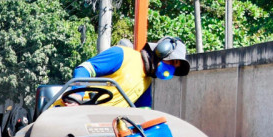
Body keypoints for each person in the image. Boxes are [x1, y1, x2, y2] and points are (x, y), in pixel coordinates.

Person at [61, 36, 191, 108]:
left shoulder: (146, 82)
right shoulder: (121, 55)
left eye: (176, 67)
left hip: (100, 127)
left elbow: (143, 112)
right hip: (73, 114)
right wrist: (75, 99)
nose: (171, 69)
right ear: (162, 51)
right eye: (172, 62)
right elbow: (84, 69)